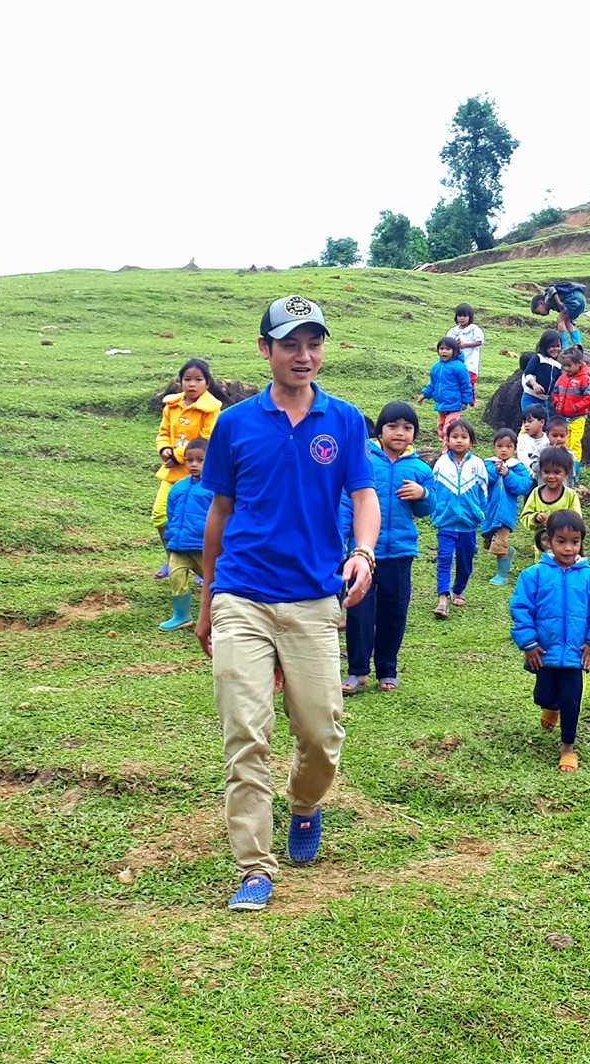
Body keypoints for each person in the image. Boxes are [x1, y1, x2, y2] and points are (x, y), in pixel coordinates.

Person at [197, 296, 378, 914]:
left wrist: (363, 552)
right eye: (290, 344)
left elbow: (364, 495)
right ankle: (254, 866)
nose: (304, 355)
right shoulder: (233, 424)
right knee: (247, 734)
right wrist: (207, 601)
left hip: (312, 599)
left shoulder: (344, 420)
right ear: (265, 349)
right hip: (241, 595)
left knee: (321, 734)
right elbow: (219, 513)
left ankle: (304, 804)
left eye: (313, 344)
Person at [510, 508, 590, 772]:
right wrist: (529, 644)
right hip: (544, 652)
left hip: (577, 655)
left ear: (581, 542)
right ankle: (550, 707)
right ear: (548, 541)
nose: (568, 548)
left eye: (575, 542)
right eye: (561, 541)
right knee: (543, 696)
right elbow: (520, 610)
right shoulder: (532, 575)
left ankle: (567, 747)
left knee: (571, 701)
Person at [340, 402, 431, 695]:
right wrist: (343, 541)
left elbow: (427, 509)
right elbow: (347, 501)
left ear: (414, 433)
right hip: (363, 552)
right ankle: (357, 671)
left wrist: (422, 494)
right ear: (380, 431)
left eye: (407, 428)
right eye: (393, 426)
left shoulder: (419, 469)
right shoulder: (363, 460)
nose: (400, 433)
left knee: (394, 611)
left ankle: (387, 669)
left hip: (400, 552)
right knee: (359, 611)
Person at [428, 420, 490, 618]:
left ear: (471, 441)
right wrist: (436, 511)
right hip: (446, 523)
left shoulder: (477, 464)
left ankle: (459, 589)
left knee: (465, 562)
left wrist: (480, 514)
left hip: (468, 525)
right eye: (454, 437)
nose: (459, 441)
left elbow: (483, 493)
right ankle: (442, 599)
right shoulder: (441, 463)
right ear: (447, 440)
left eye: (464, 437)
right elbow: (434, 490)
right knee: (444, 559)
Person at [152, 358, 223, 530]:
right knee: (160, 515)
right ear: (180, 381)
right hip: (172, 471)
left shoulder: (211, 409)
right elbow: (163, 433)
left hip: (199, 471)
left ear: (207, 383)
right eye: (187, 379)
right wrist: (164, 449)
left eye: (198, 379)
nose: (192, 384)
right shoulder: (171, 406)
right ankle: (169, 549)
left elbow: (207, 439)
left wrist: (177, 456)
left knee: (194, 518)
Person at [156, 438, 213, 630]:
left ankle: (219, 615)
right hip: (179, 545)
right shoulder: (178, 487)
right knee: (176, 576)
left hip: (203, 546)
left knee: (214, 581)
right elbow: (171, 514)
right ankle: (181, 615)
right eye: (189, 460)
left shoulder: (215, 488)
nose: (194, 464)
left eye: (200, 460)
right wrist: (170, 536)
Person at [482, 428, 534, 586]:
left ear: (515, 449)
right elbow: (482, 479)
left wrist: (508, 474)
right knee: (488, 542)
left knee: (499, 543)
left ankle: (502, 575)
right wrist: (494, 471)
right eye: (500, 446)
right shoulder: (487, 464)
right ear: (494, 448)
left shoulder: (517, 467)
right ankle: (508, 551)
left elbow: (523, 486)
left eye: (508, 446)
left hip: (506, 513)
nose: (504, 450)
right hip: (489, 511)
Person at [514, 445, 579, 554]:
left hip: (565, 552)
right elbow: (525, 517)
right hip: (541, 553)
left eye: (557, 472)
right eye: (546, 472)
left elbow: (576, 521)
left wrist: (559, 522)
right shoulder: (536, 493)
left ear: (566, 474)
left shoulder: (570, 495)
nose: (551, 476)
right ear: (540, 472)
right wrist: (536, 518)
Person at [550, 347, 590, 468]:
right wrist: (556, 402)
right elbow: (555, 391)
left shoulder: (586, 380)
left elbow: (589, 397)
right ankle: (562, 467)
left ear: (579, 363)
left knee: (574, 443)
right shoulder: (562, 378)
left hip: (578, 417)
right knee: (563, 442)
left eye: (569, 365)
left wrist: (576, 407)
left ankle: (574, 470)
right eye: (564, 366)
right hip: (563, 417)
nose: (566, 368)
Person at [420, 336, 474, 438]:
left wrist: (465, 401)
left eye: (448, 349)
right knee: (441, 431)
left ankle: (448, 447)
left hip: (454, 404)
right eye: (441, 349)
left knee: (448, 430)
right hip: (441, 405)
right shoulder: (436, 367)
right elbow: (433, 383)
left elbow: (466, 385)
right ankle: (446, 443)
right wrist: (424, 394)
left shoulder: (459, 367)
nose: (444, 351)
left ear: (455, 351)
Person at [529, 280, 588, 350]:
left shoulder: (547, 299)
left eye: (539, 312)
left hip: (573, 299)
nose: (541, 315)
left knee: (560, 320)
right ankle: (577, 344)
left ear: (541, 303)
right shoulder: (552, 305)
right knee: (568, 321)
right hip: (581, 299)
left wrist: (559, 302)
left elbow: (552, 289)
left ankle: (564, 345)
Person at [446, 303, 485, 403]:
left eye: (464, 316)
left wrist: (465, 345)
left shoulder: (475, 329)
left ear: (469, 317)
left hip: (470, 362)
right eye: (459, 316)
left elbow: (479, 342)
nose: (462, 318)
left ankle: (469, 400)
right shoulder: (453, 331)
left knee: (468, 381)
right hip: (455, 362)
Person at [517, 330, 564, 406]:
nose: (555, 349)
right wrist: (534, 384)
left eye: (558, 346)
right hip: (530, 397)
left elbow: (558, 382)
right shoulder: (538, 358)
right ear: (544, 346)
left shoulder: (558, 365)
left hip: (544, 400)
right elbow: (528, 373)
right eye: (552, 346)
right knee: (530, 414)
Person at [516, 404, 548, 480]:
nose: (526, 425)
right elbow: (523, 458)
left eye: (530, 421)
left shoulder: (548, 440)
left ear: (541, 422)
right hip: (526, 474)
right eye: (524, 422)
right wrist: (532, 472)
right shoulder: (522, 439)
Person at [543, 415, 576, 483]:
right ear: (547, 435)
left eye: (562, 436)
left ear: (567, 435)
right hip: (544, 487)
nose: (558, 439)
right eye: (554, 435)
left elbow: (571, 475)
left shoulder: (569, 454)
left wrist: (572, 488)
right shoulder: (541, 450)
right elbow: (534, 468)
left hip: (562, 488)